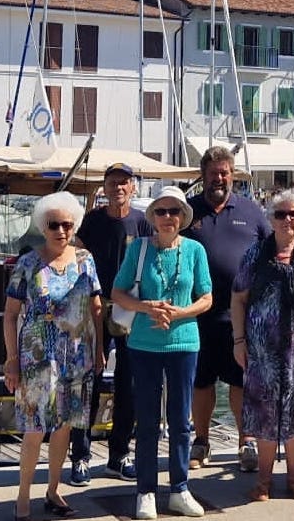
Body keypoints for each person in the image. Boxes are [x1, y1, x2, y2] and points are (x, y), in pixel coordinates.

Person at [111, 187, 212, 520]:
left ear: (182, 216)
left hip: (184, 344)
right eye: (161, 211)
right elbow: (117, 293)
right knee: (148, 421)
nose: (168, 217)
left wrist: (179, 313)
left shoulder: (195, 250)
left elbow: (206, 297)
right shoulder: (139, 249)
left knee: (182, 421)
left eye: (174, 212)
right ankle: (146, 491)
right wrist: (146, 307)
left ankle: (180, 488)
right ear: (152, 216)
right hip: (143, 344)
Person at [4, 192, 103, 521]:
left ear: (74, 226)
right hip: (37, 358)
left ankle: (53, 489)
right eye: (53, 224)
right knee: (34, 429)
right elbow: (10, 314)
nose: (61, 230)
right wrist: (11, 359)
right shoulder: (28, 263)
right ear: (43, 226)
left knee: (64, 427)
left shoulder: (85, 260)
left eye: (67, 224)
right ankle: (22, 496)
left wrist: (100, 350)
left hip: (77, 357)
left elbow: (95, 309)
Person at [231, 192, 294, 502]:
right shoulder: (254, 255)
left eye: (293, 214)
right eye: (280, 214)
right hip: (262, 351)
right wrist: (238, 341)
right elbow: (238, 298)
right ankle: (263, 480)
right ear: (270, 219)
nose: (287, 220)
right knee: (263, 413)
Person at [182, 146, 269, 472]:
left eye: (224, 173)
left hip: (241, 316)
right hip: (196, 314)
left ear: (232, 175)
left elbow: (272, 254)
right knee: (201, 382)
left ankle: (245, 441)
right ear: (203, 175)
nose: (219, 178)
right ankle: (201, 441)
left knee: (241, 381)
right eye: (213, 173)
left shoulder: (251, 211)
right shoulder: (188, 213)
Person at [69, 163, 150, 485]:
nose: (119, 187)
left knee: (129, 386)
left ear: (133, 188)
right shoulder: (91, 223)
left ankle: (119, 454)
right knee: (87, 383)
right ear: (104, 187)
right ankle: (80, 457)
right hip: (94, 311)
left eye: (125, 183)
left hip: (130, 313)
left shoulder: (143, 223)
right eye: (113, 182)